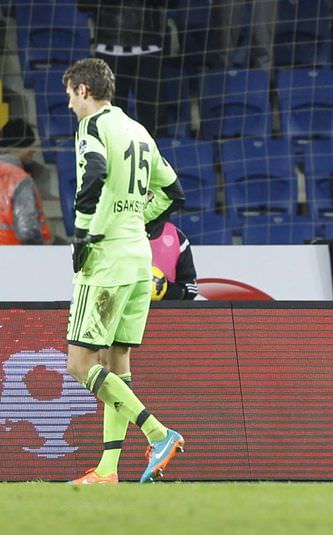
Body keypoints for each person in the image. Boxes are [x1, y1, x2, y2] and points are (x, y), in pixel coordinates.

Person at [62, 58, 187, 485]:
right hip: (138, 260)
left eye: (70, 95)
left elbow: (94, 173)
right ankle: (108, 470)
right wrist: (138, 221)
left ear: (83, 90)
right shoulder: (138, 130)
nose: (69, 105)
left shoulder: (93, 126)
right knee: (116, 365)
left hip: (108, 260)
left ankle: (159, 433)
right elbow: (173, 191)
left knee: (80, 364)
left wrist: (83, 235)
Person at [77, 0, 175, 136]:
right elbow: (83, 4)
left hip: (148, 49)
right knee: (110, 114)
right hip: (109, 49)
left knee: (154, 115)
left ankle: (152, 147)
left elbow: (171, 3)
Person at [0, 119, 52, 245]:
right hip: (14, 252)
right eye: (31, 144)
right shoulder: (19, 179)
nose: (34, 150)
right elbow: (28, 230)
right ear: (21, 146)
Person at [147, 215, 198, 301]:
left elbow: (192, 286)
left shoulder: (177, 237)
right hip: (126, 306)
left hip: (164, 307)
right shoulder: (123, 235)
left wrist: (172, 291)